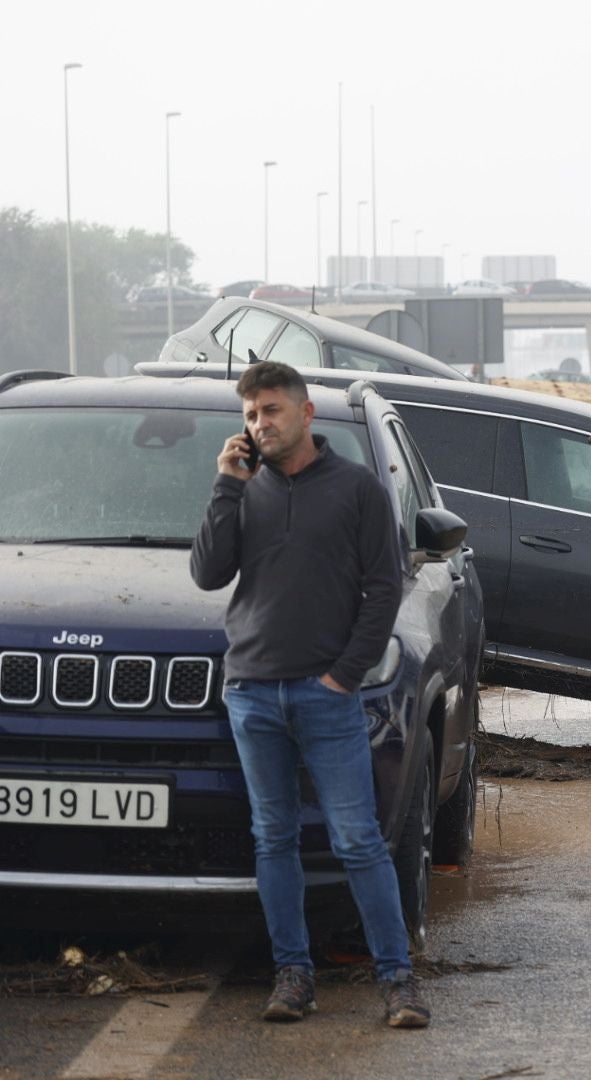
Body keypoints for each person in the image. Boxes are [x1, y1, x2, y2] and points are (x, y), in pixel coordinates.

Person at [190, 361, 430, 1029]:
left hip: (327, 695)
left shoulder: (356, 490)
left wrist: (343, 676)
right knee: (273, 839)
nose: (259, 424)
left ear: (305, 414)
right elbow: (208, 572)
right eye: (250, 415)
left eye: (271, 410)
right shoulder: (244, 490)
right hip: (252, 694)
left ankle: (399, 981)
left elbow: (385, 590)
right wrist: (225, 484)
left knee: (359, 841)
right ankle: (292, 976)